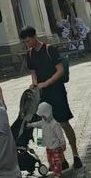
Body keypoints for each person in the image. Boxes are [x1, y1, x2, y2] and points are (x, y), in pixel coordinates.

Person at [20, 25, 82, 170]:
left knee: (64, 122)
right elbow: (33, 73)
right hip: (42, 95)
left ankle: (75, 154)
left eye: (29, 41)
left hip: (57, 91)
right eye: (25, 42)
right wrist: (35, 84)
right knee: (48, 125)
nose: (28, 44)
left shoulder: (49, 49)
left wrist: (46, 83)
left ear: (35, 36)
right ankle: (61, 160)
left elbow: (60, 70)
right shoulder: (30, 54)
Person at [38, 101, 67, 178]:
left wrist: (63, 143)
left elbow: (60, 135)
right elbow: (39, 125)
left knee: (56, 161)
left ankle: (58, 175)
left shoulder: (55, 124)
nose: (43, 118)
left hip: (55, 147)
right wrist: (31, 125)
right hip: (49, 147)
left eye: (43, 116)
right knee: (50, 161)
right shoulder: (44, 122)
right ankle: (55, 172)